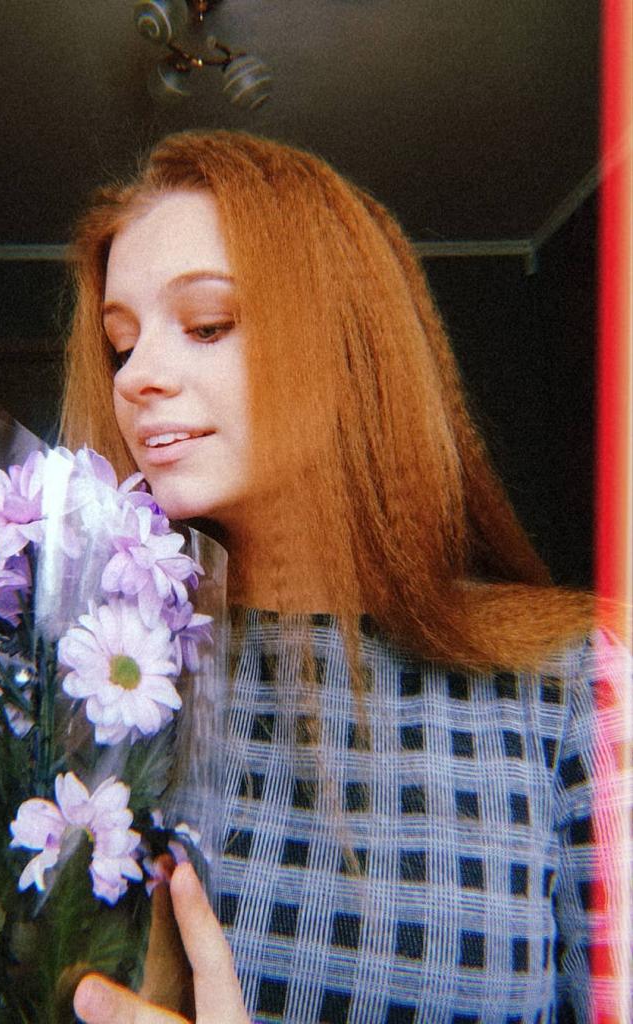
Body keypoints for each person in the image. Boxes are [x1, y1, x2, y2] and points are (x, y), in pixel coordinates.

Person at [58, 131, 629, 1024]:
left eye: (206, 325)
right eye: (121, 344)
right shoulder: (89, 679)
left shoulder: (569, 687)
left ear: (347, 345)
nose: (135, 379)